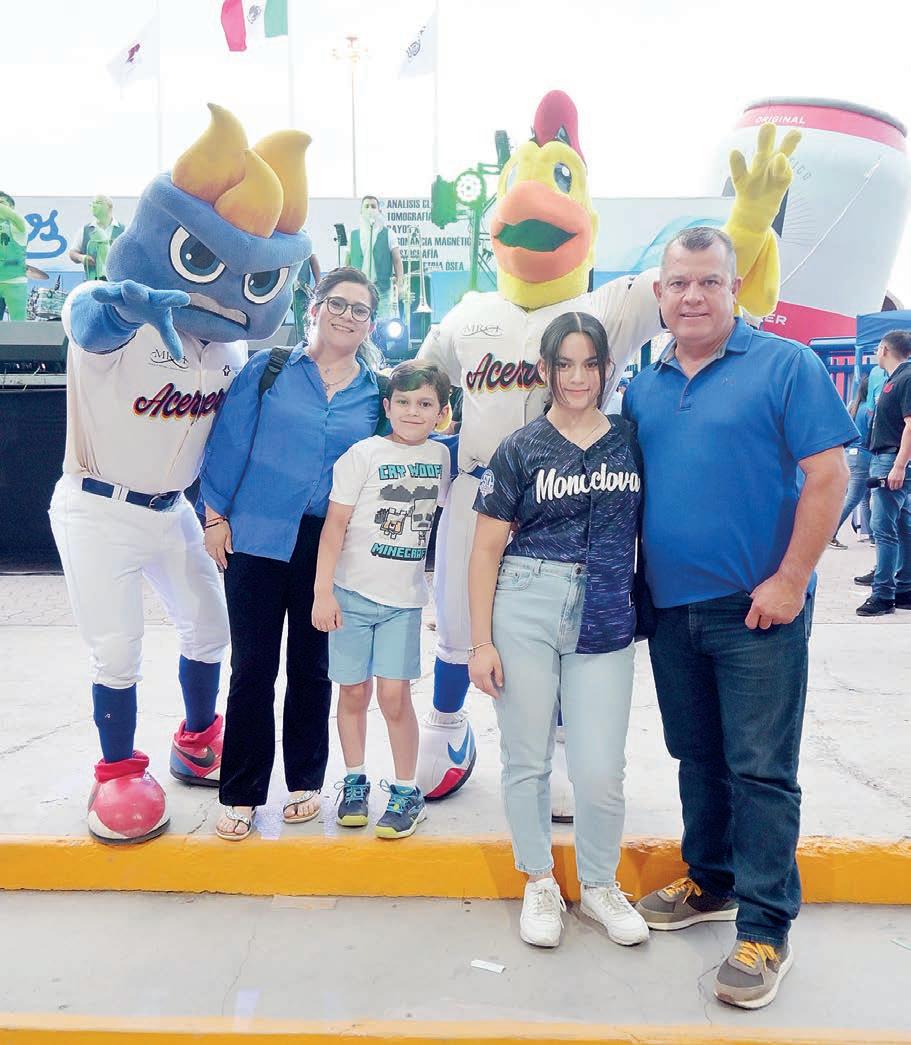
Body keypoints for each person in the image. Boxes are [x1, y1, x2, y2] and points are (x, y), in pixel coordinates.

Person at [415, 90, 799, 819]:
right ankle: (444, 726)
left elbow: (692, 284)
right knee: (459, 619)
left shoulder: (609, 304)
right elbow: (415, 390)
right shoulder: (466, 313)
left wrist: (748, 220)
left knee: (562, 623)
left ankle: (558, 747)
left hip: (568, 497)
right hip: (477, 488)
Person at [47, 104, 313, 844]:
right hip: (98, 505)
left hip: (172, 512)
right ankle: (116, 770)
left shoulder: (228, 352)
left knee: (210, 624)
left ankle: (197, 738)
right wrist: (120, 306)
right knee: (118, 647)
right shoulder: (120, 314)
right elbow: (87, 319)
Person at [623, 227, 855, 1009]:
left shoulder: (785, 365)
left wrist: (790, 579)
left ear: (734, 289)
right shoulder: (644, 385)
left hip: (759, 610)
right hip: (671, 608)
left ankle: (763, 927)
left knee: (760, 769)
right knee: (696, 756)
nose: (692, 296)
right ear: (659, 294)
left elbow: (828, 476)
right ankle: (711, 880)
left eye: (708, 282)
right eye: (678, 283)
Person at [468, 311, 649, 950]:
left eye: (590, 364)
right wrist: (481, 642)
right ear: (544, 370)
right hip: (526, 601)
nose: (577, 378)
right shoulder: (520, 448)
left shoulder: (630, 439)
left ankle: (600, 884)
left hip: (607, 606)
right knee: (527, 757)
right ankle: (539, 880)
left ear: (606, 368)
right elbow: (485, 550)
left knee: (600, 768)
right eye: (564, 364)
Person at [201, 267, 385, 841]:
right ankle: (242, 792)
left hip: (327, 548)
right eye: (339, 303)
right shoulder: (269, 369)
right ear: (315, 307)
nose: (348, 316)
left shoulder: (376, 394)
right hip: (254, 537)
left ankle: (306, 782)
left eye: (360, 309)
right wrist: (214, 517)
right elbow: (229, 441)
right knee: (252, 667)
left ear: (371, 324)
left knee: (313, 667)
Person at [312, 359, 451, 839]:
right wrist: (323, 592)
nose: (413, 411)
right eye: (404, 402)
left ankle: (407, 790)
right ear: (387, 406)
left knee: (394, 696)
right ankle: (354, 781)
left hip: (404, 602)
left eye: (425, 404)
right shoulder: (363, 455)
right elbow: (334, 526)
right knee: (353, 691)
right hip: (350, 595)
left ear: (441, 413)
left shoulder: (441, 457)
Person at [855, 329, 911, 616]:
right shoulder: (895, 378)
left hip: (891, 460)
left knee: (883, 528)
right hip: (889, 459)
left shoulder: (905, 378)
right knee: (902, 526)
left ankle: (883, 594)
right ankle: (904, 588)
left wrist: (899, 465)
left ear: (884, 349)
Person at [828, 373, 872, 550]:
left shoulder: (853, 406)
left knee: (863, 495)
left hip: (850, 455)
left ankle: (872, 535)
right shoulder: (869, 410)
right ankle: (830, 533)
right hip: (863, 456)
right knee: (854, 497)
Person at [346, 196, 404, 318]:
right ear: (361, 211)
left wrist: (400, 284)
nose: (370, 209)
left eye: (373, 206)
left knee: (383, 323)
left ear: (379, 211)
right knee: (359, 321)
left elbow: (397, 261)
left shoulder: (389, 234)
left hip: (382, 290)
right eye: (366, 206)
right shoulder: (353, 235)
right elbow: (347, 262)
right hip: (358, 290)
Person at [68, 195, 125, 281]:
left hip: (117, 283)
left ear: (109, 207)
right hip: (93, 283)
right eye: (92, 203)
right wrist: (82, 258)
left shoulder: (123, 231)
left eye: (98, 203)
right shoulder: (85, 230)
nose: (94, 206)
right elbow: (72, 253)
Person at [0, 191, 28, 321]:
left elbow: (12, 216)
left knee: (19, 324)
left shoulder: (19, 225)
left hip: (15, 282)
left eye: (2, 203)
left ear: (12, 207)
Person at [291, 248, 322, 342]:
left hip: (299, 289)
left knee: (304, 319)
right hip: (282, 289)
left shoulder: (302, 241)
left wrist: (318, 283)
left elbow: (312, 258)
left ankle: (308, 343)